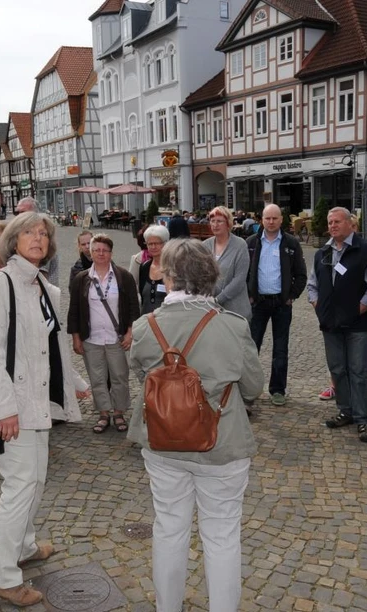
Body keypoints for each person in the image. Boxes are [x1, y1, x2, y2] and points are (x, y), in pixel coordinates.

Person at [126, 238, 263, 612]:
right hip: (221, 443)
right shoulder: (232, 326)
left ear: (168, 278)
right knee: (221, 535)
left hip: (163, 441)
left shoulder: (144, 326)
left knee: (169, 528)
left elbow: (141, 376)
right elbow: (253, 387)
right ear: (212, 277)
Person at [0, 212, 91, 607]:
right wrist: (4, 409)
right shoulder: (0, 283)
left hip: (40, 402)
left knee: (36, 481)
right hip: (16, 406)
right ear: (12, 240)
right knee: (19, 486)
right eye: (28, 232)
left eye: (43, 233)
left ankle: (23, 546)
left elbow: (52, 346)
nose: (38, 238)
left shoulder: (41, 285)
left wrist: (75, 384)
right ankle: (3, 577)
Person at [308, 207, 367, 444]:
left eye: (337, 221)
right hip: (330, 324)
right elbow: (312, 285)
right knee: (337, 369)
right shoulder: (322, 252)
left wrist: (354, 312)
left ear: (351, 224)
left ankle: (363, 419)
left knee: (358, 371)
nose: (332, 225)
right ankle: (345, 411)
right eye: (330, 222)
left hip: (357, 324)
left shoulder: (366, 250)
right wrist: (318, 306)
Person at [67, 233, 140, 434]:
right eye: (96, 250)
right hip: (91, 338)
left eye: (104, 250)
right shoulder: (82, 279)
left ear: (111, 253)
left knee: (119, 376)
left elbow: (134, 307)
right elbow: (73, 310)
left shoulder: (123, 276)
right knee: (97, 378)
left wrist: (130, 332)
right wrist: (76, 337)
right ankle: (104, 413)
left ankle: (118, 412)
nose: (100, 253)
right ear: (90, 252)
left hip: (117, 337)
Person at [245, 204, 306, 407]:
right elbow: (244, 273)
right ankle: (249, 389)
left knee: (280, 348)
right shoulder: (251, 243)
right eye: (267, 218)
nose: (271, 222)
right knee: (252, 347)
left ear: (281, 220)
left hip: (281, 303)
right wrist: (250, 295)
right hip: (258, 302)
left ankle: (278, 389)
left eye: (274, 218)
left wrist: (292, 295)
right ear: (261, 220)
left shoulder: (291, 243)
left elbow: (301, 274)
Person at [203, 206, 252, 321]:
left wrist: (218, 299)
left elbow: (239, 279)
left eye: (219, 221)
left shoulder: (240, 245)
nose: (215, 225)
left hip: (236, 310)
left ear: (228, 223)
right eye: (212, 221)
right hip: (211, 311)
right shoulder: (205, 245)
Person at [14, 197, 60, 286]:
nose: (19, 215)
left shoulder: (43, 237)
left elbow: (42, 274)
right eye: (17, 212)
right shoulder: (16, 233)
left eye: (23, 212)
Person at [137, 224, 171, 314]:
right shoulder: (144, 267)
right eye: (150, 244)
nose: (153, 247)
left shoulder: (174, 268)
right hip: (146, 322)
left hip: (167, 322)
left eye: (157, 243)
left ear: (166, 243)